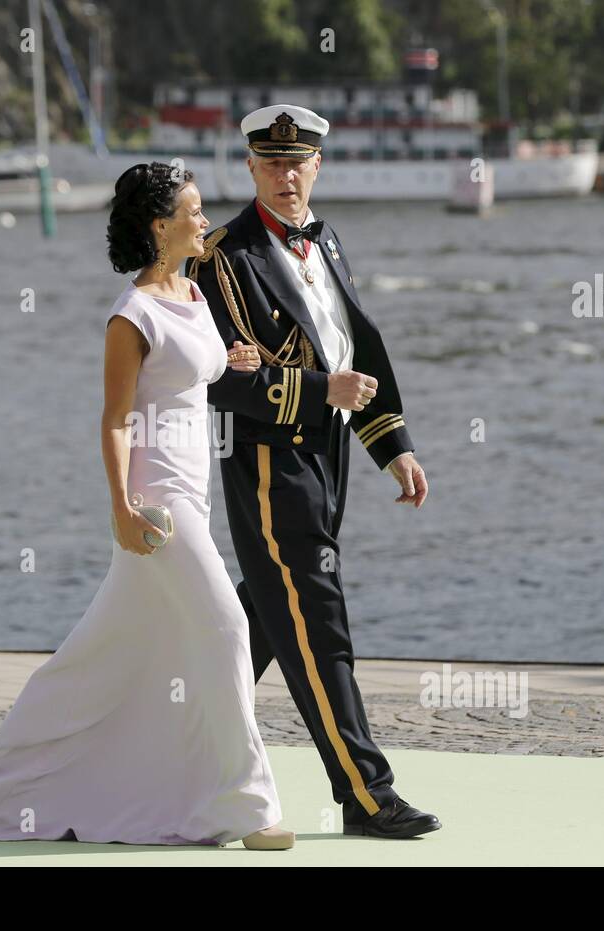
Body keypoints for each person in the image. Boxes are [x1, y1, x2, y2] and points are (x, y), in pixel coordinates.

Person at [0, 162, 294, 850]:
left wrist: (236, 361)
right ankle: (250, 809)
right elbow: (114, 420)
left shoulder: (192, 293)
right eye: (192, 211)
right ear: (160, 226)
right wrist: (123, 509)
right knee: (227, 628)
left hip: (195, 494)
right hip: (159, 506)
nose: (204, 220)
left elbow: (200, 369)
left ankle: (20, 780)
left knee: (112, 652)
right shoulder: (128, 316)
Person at [187, 104, 442, 839]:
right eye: (271, 164)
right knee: (316, 618)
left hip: (326, 451)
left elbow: (356, 348)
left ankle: (170, 749)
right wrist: (312, 390)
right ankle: (367, 795)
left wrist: (392, 445)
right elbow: (218, 382)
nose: (286, 175)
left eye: (297, 163)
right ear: (250, 169)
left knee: (266, 615)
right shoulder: (220, 256)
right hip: (266, 454)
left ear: (318, 166)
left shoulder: (327, 242)